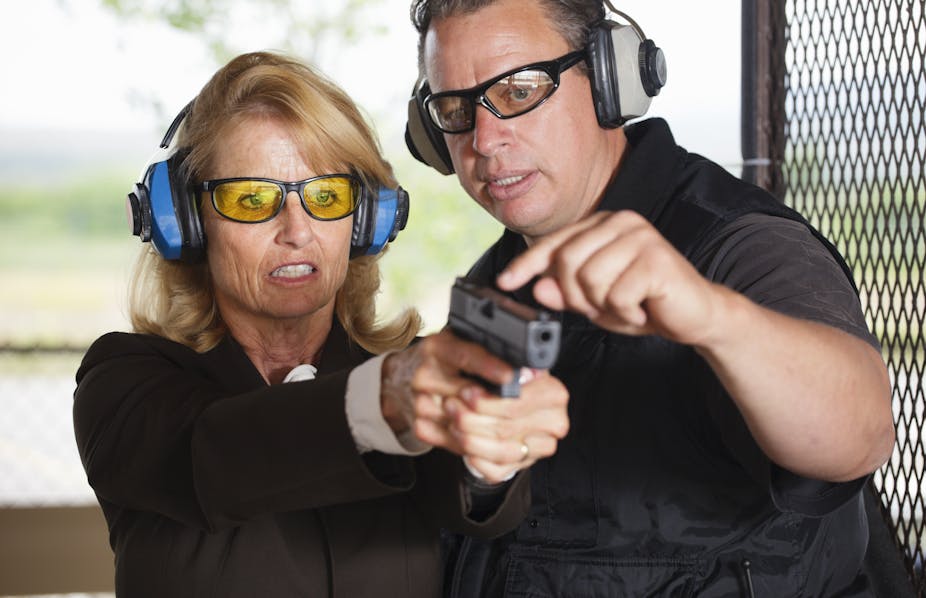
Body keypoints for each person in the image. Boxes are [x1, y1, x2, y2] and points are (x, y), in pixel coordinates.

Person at [405, 0, 896, 595]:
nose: (484, 139)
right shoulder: (495, 280)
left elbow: (858, 434)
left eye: (519, 91)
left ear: (610, 80)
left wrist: (713, 317)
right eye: (456, 109)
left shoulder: (738, 244)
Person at [73, 50, 569, 597]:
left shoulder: (413, 376)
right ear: (187, 221)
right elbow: (216, 456)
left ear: (365, 220)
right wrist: (381, 403)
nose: (296, 230)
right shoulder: (123, 383)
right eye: (251, 198)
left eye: (327, 196)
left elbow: (473, 500)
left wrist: (491, 450)